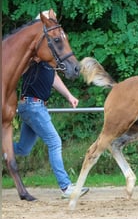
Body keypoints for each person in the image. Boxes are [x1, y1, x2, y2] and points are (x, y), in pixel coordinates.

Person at [13, 12, 89, 199]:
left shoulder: (48, 56)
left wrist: (69, 96)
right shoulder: (33, 54)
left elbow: (53, 78)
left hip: (33, 106)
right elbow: (19, 69)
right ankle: (65, 187)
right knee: (55, 142)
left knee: (22, 149)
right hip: (33, 106)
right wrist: (32, 61)